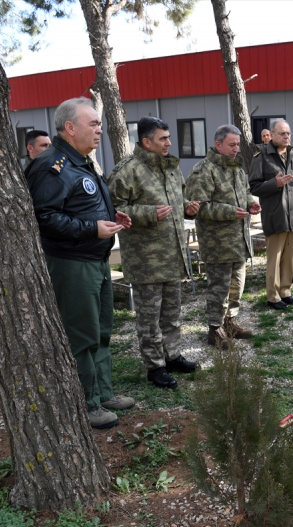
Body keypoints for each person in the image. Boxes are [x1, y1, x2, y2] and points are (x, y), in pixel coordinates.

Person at [27, 97, 134, 429]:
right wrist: (92, 227)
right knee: (81, 335)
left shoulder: (82, 161)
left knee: (101, 331)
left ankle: (103, 394)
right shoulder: (52, 164)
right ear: (70, 128)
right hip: (72, 263)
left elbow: (77, 203)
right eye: (94, 124)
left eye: (100, 124)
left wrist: (109, 216)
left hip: (95, 259)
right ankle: (86, 403)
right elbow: (44, 217)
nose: (100, 130)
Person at [108, 117, 200, 389]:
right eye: (163, 139)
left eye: (169, 137)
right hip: (146, 260)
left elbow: (178, 200)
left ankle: (172, 356)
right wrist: (148, 213)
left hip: (172, 255)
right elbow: (112, 210)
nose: (169, 143)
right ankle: (155, 367)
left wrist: (187, 208)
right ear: (146, 142)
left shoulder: (171, 168)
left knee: (172, 313)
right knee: (149, 319)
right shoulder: (127, 171)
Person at [185, 125, 260, 348]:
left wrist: (250, 203)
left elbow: (245, 192)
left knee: (237, 285)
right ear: (218, 145)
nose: (236, 149)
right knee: (219, 288)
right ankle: (214, 329)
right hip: (217, 243)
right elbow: (198, 207)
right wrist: (230, 211)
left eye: (238, 144)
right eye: (232, 144)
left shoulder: (236, 168)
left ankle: (230, 322)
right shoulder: (203, 170)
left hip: (238, 240)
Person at [249, 120, 293, 310]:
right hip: (276, 215)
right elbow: (254, 187)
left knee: (289, 258)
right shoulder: (261, 158)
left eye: (288, 133)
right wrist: (275, 184)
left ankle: (285, 292)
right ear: (272, 135)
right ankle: (273, 296)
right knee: (274, 259)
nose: (286, 137)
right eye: (282, 133)